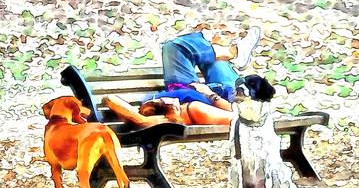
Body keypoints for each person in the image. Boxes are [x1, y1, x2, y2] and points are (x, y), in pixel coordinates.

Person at [103, 26, 275, 127]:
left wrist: (143, 109)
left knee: (179, 49)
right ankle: (232, 52)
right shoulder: (193, 110)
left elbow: (109, 99)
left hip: (198, 91)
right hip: (226, 98)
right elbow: (239, 115)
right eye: (172, 105)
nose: (171, 102)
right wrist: (209, 94)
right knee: (180, 50)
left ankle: (225, 50)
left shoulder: (158, 106)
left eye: (165, 102)